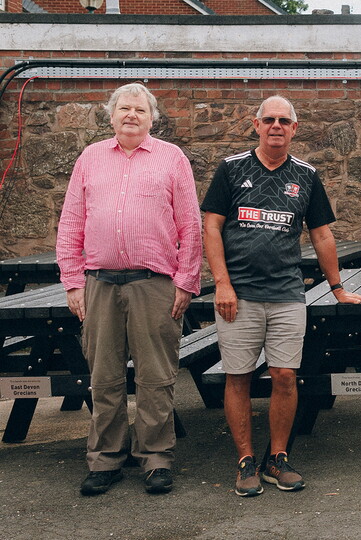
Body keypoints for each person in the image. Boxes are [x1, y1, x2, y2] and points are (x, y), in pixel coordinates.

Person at [202, 96, 361, 497]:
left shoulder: (306, 175)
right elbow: (211, 227)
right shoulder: (232, 169)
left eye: (284, 120)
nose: (276, 126)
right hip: (239, 295)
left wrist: (337, 288)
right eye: (269, 119)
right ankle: (245, 461)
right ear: (256, 125)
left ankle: (277, 459)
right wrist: (222, 283)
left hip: (287, 293)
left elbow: (322, 235)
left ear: (295, 129)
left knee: (284, 376)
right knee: (239, 376)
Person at [56, 83, 202, 496]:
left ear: (152, 118)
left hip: (154, 285)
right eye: (124, 108)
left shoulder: (171, 159)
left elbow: (190, 225)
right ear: (111, 115)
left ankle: (155, 458)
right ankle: (105, 459)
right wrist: (73, 282)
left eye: (140, 109)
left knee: (156, 378)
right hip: (99, 283)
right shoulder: (90, 158)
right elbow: (71, 222)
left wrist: (186, 282)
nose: (132, 115)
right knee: (104, 377)